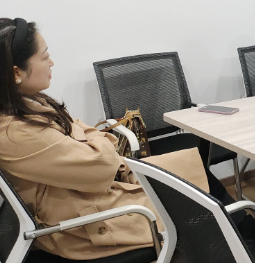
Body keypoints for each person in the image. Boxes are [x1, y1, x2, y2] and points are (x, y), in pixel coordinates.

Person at [0, 18, 213, 260]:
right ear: (16, 72)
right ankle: (230, 242)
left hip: (85, 192)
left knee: (195, 172)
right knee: (200, 204)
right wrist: (94, 139)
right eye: (44, 57)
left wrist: (86, 138)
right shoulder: (16, 132)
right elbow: (102, 164)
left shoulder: (27, 103)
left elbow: (77, 127)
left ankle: (233, 236)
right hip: (83, 221)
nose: (52, 63)